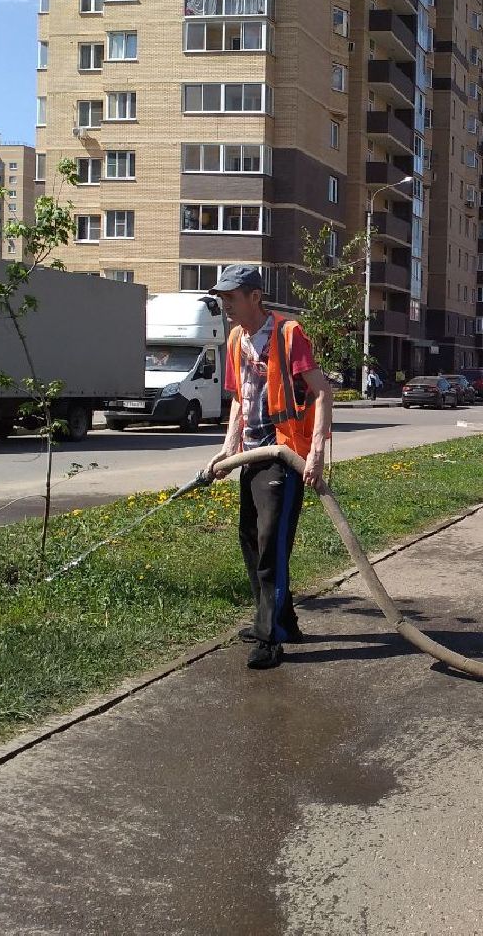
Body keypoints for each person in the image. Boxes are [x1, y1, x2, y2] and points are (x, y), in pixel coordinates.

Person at [205, 265, 333, 670]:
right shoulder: (236, 338)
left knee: (271, 548)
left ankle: (269, 637)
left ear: (254, 297)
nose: (225, 303)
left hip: (283, 455)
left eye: (232, 296)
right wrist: (227, 451)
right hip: (251, 456)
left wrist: (315, 456)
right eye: (222, 296)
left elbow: (322, 391)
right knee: (252, 541)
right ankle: (283, 621)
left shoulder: (288, 334)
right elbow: (241, 400)